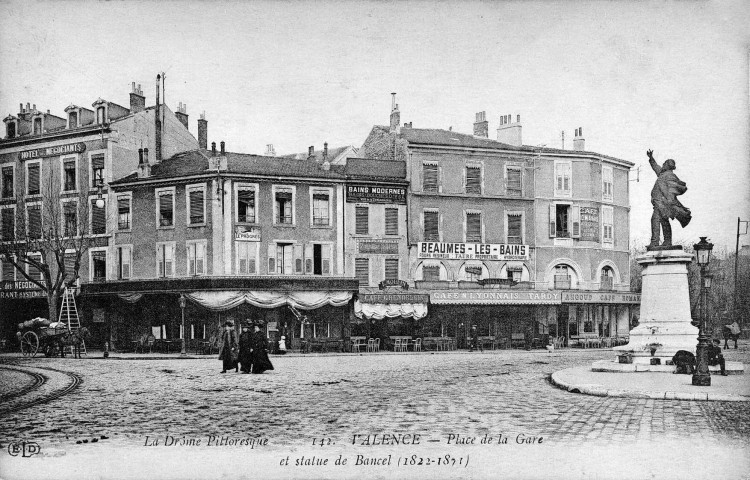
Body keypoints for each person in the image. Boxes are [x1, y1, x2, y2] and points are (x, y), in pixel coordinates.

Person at [646, 149, 691, 248]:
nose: (662, 164)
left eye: (665, 163)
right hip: (658, 202)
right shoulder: (663, 174)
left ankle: (655, 242)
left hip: (662, 203)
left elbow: (672, 190)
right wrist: (651, 158)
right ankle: (666, 241)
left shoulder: (670, 175)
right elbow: (656, 167)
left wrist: (668, 202)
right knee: (663, 221)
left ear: (668, 165)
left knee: (656, 220)